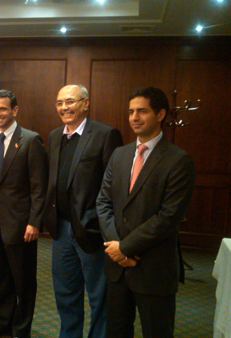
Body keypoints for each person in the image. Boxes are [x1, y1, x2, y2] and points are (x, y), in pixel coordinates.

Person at [96, 87, 195, 338]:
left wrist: (125, 248)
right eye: (131, 111)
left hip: (153, 268)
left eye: (142, 111)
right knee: (116, 331)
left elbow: (168, 218)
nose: (134, 117)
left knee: (157, 332)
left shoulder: (178, 160)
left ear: (160, 114)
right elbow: (103, 203)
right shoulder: (119, 154)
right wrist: (116, 249)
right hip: (117, 268)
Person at [42, 84, 123, 338]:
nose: (64, 107)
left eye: (70, 101)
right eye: (59, 103)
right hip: (61, 229)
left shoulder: (105, 134)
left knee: (99, 296)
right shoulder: (55, 136)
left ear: (85, 103)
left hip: (92, 230)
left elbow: (114, 189)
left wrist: (106, 228)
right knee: (65, 294)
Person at [0, 89, 48, 338]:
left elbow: (39, 187)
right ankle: (3, 320)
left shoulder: (30, 140)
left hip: (21, 225)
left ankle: (22, 328)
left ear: (14, 111)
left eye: (2, 109)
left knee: (23, 280)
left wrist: (34, 221)